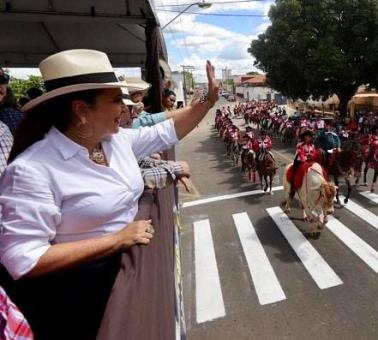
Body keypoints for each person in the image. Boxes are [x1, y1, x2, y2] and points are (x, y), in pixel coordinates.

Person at [0, 49, 219, 338]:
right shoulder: (32, 169)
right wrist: (115, 240)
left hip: (124, 280)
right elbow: (22, 259)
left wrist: (206, 102)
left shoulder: (114, 141)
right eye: (116, 100)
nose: (125, 108)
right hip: (80, 302)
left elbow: (166, 132)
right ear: (81, 109)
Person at [289, 130, 319, 198]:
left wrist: (314, 156)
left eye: (309, 137)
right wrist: (305, 159)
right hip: (299, 161)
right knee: (294, 174)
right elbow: (301, 153)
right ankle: (292, 189)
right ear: (304, 137)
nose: (308, 138)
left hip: (309, 161)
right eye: (306, 136)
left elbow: (314, 153)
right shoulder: (299, 144)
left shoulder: (312, 145)